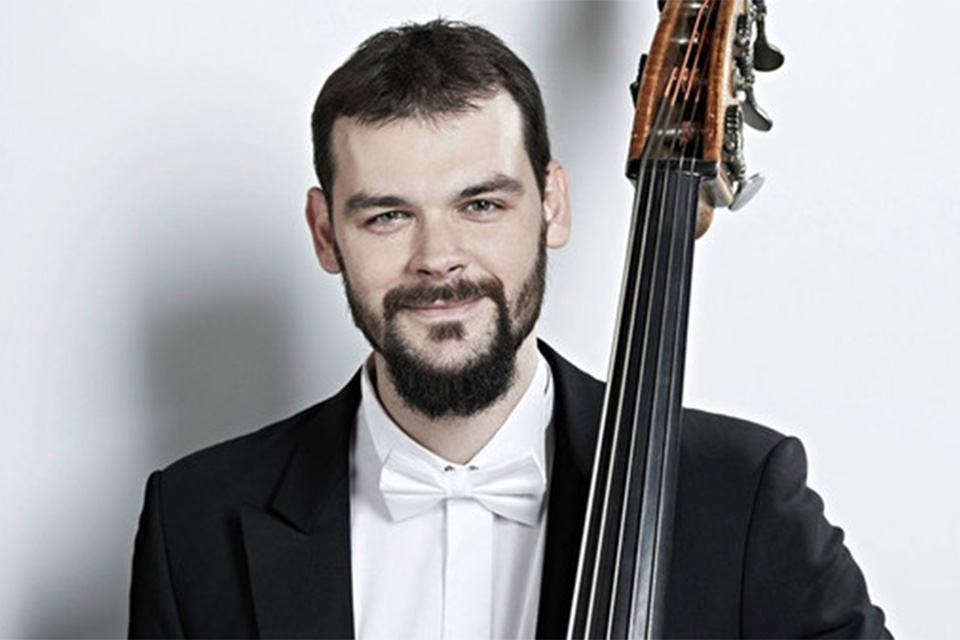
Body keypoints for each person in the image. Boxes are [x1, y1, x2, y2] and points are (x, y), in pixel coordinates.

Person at [128, 18, 890, 639]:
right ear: (326, 234)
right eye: (388, 215)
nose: (439, 259)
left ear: (551, 205)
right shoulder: (194, 525)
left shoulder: (743, 499)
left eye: (481, 205)